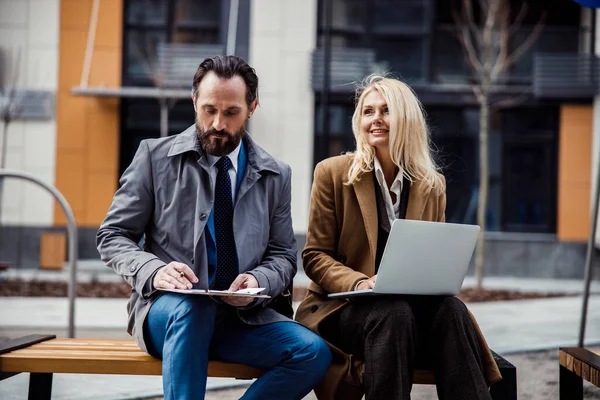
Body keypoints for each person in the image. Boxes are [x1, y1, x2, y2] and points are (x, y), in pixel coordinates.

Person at [97, 55, 331, 400]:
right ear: (194, 102)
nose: (218, 124)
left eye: (231, 112)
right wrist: (154, 270)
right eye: (209, 110)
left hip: (241, 321)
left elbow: (283, 255)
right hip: (168, 313)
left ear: (252, 108)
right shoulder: (152, 157)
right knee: (194, 308)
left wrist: (258, 281)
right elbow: (112, 236)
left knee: (313, 353)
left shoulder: (277, 175)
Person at [295, 74, 502, 400]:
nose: (375, 119)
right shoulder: (332, 173)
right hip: (344, 309)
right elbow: (315, 256)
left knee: (452, 310)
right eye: (368, 111)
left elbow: (434, 260)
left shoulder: (432, 185)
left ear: (406, 119)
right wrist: (361, 284)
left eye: (386, 110)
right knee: (394, 312)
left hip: (409, 313)